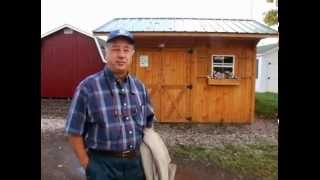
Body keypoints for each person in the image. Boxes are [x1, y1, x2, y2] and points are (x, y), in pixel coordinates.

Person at [65, 29, 156, 180]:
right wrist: (87, 164)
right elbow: (74, 131)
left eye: (126, 50)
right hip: (101, 165)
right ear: (105, 53)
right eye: (115, 49)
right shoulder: (88, 88)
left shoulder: (140, 88)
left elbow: (148, 125)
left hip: (135, 165)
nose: (121, 55)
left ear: (132, 54)